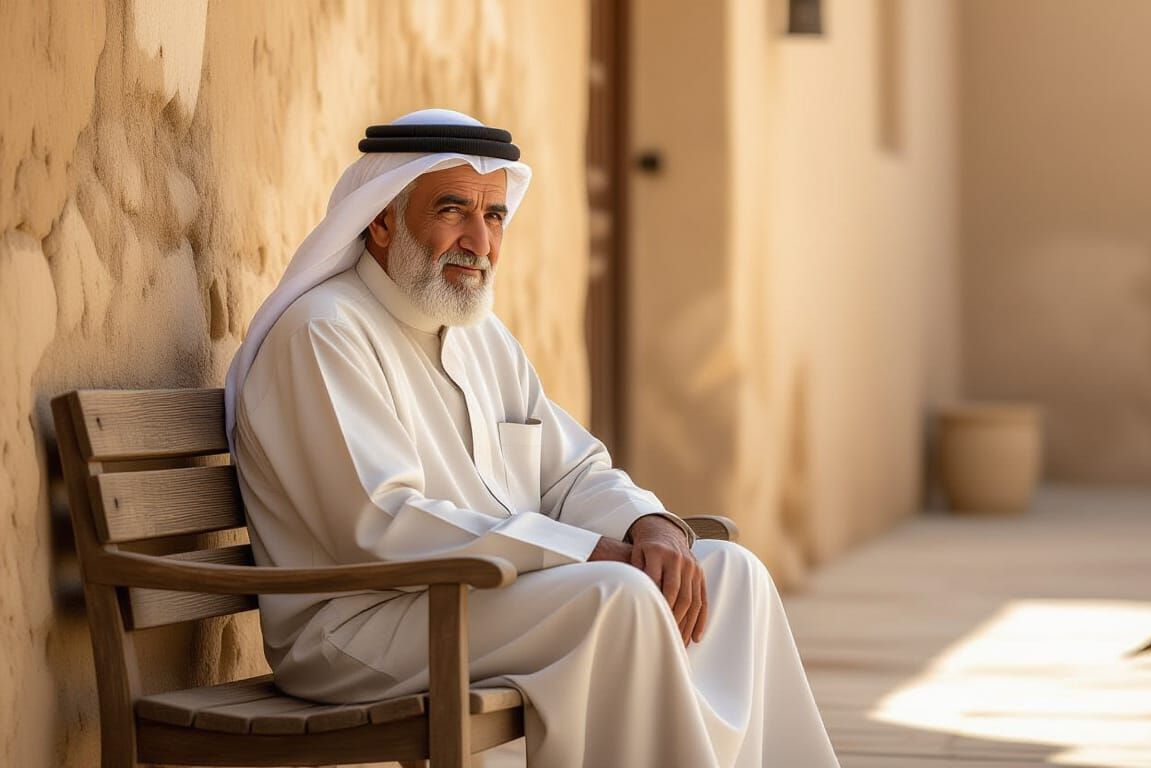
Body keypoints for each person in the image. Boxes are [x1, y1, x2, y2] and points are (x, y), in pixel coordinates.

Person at [227, 108, 840, 767]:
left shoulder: (481, 337)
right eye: (452, 211)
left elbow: (569, 472)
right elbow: (381, 522)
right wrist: (587, 553)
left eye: (493, 217)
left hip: (472, 599)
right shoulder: (324, 332)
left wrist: (651, 526)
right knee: (620, 595)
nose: (480, 241)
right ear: (381, 220)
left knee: (731, 576)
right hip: (358, 627)